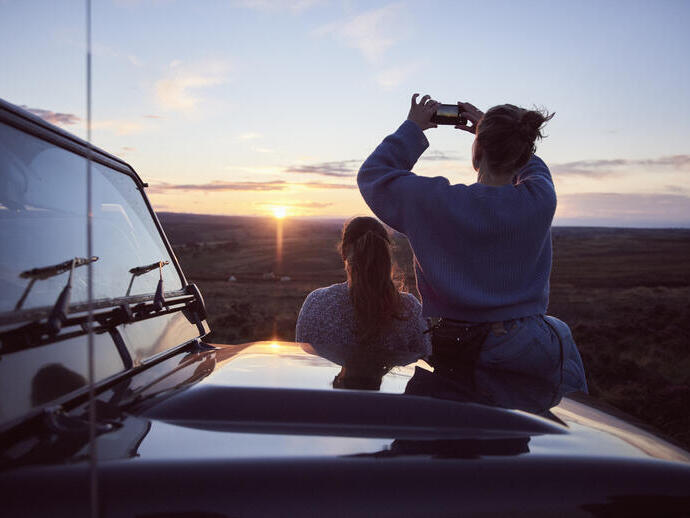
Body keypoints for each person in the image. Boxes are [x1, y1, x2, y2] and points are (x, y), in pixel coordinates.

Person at [356, 94, 587, 401]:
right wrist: (487, 128)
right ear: (522, 152)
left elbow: (374, 174)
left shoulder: (434, 202)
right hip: (525, 343)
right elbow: (533, 167)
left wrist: (413, 127)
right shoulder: (540, 198)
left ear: (477, 152)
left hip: (455, 343)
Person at [295, 216, 431, 388]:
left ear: (344, 252)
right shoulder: (410, 309)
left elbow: (301, 360)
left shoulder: (317, 303)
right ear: (386, 254)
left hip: (328, 409)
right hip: (393, 410)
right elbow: (424, 364)